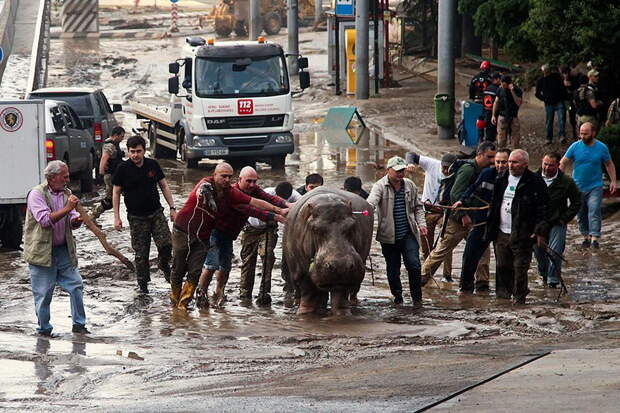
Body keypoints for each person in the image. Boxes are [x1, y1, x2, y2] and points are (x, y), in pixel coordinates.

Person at [172, 163, 289, 310]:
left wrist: (283, 208)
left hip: (218, 235)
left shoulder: (233, 192)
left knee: (216, 267)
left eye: (229, 176)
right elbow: (251, 210)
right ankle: (187, 298)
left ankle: (205, 297)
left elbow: (258, 201)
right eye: (223, 176)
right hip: (198, 230)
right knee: (198, 266)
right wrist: (278, 216)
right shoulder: (211, 185)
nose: (227, 179)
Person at [24, 160, 89, 336]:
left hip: (63, 250)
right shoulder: (37, 194)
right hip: (42, 253)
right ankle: (44, 331)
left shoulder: (66, 193)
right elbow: (45, 220)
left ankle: (79, 325)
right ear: (52, 178)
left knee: (76, 286)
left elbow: (72, 217)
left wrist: (75, 220)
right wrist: (68, 209)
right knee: (44, 294)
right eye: (65, 176)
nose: (68, 179)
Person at [421, 142, 496, 287]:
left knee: (483, 250)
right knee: (442, 250)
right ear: (479, 155)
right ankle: (421, 278)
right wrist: (463, 216)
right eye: (489, 157)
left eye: (494, 157)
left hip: (475, 219)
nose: (492, 161)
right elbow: (456, 194)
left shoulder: (484, 171)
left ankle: (482, 283)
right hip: (457, 219)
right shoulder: (468, 170)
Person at [112, 136, 175, 294]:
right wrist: (116, 216)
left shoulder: (152, 165)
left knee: (167, 244)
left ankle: (163, 263)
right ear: (128, 151)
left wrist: (172, 208)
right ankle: (143, 286)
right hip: (136, 217)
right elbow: (116, 192)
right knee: (141, 254)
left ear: (144, 150)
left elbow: (164, 186)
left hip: (156, 213)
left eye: (138, 151)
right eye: (132, 152)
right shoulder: (122, 169)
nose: (135, 155)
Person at [486, 150, 549, 304]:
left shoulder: (534, 181)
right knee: (502, 266)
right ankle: (504, 298)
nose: (510, 165)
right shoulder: (501, 179)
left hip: (523, 233)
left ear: (525, 165)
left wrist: (539, 230)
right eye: (509, 162)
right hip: (501, 231)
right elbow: (494, 204)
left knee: (520, 268)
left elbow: (544, 209)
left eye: (515, 162)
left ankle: (519, 299)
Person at [367, 156, 428, 308]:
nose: (401, 174)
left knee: (414, 265)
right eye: (397, 171)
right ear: (389, 170)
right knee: (393, 269)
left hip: (408, 233)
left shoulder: (409, 185)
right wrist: (365, 212)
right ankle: (398, 297)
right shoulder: (380, 186)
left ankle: (417, 299)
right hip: (388, 236)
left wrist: (422, 224)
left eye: (403, 171)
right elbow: (371, 203)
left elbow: (418, 207)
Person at [453, 148, 510, 293]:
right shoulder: (486, 174)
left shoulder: (515, 179)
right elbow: (472, 189)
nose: (500, 165)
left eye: (504, 162)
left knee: (503, 262)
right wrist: (462, 202)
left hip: (502, 226)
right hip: (482, 222)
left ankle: (503, 294)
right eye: (497, 162)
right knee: (469, 256)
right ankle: (465, 291)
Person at [239, 181, 301, 305]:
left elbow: (301, 209)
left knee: (267, 257)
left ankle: (264, 293)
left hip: (268, 229)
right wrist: (276, 214)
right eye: (279, 199)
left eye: (284, 199)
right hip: (251, 228)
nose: (281, 200)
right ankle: (245, 294)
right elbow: (254, 210)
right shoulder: (267, 193)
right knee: (248, 261)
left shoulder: (295, 196)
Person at [560, 122, 617, 248]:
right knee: (580, 213)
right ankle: (586, 236)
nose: (582, 136)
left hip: (595, 185)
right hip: (577, 186)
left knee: (594, 209)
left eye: (585, 133)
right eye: (581, 133)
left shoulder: (601, 147)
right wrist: (561, 179)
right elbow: (563, 162)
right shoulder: (575, 146)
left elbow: (609, 164)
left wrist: (613, 180)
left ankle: (595, 238)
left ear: (593, 133)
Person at [405, 151, 457, 281]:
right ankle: (427, 273)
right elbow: (411, 154)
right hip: (427, 210)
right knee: (425, 243)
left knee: (446, 240)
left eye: (448, 168)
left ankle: (447, 275)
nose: (445, 170)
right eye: (443, 167)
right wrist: (410, 163)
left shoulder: (458, 173)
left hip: (444, 212)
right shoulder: (432, 164)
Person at [533, 152, 581, 288]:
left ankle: (553, 281)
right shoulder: (533, 178)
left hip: (556, 222)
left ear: (558, 165)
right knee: (538, 251)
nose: (547, 168)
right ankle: (544, 275)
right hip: (537, 223)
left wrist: (565, 218)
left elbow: (577, 201)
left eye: (551, 165)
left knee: (555, 251)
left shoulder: (566, 181)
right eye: (545, 164)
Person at [90, 126, 125, 222]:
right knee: (109, 201)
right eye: (121, 136)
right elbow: (103, 159)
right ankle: (92, 216)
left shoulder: (113, 144)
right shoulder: (110, 146)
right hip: (111, 176)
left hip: (115, 175)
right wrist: (100, 176)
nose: (122, 139)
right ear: (116, 135)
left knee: (127, 194)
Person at [535, 65, 566, 144]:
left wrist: (562, 96)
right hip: (549, 103)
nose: (546, 72)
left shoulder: (556, 77)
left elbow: (562, 87)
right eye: (545, 70)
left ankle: (562, 136)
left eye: (547, 70)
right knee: (549, 121)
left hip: (559, 101)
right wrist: (544, 99)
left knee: (561, 119)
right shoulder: (541, 80)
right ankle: (549, 137)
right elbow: (537, 93)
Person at [492, 75, 523, 149]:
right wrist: (493, 115)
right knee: (501, 138)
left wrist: (512, 91)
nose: (502, 86)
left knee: (515, 138)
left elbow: (518, 103)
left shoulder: (517, 90)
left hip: (513, 116)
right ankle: (501, 152)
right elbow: (496, 102)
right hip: (502, 116)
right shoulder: (500, 89)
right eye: (501, 84)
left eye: (504, 85)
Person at [560, 66, 580, 140]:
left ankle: (575, 133)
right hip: (564, 101)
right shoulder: (560, 80)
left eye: (567, 73)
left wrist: (570, 87)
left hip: (570, 102)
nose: (566, 75)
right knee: (562, 117)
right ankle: (562, 134)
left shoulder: (573, 80)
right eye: (564, 73)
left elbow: (576, 89)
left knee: (572, 114)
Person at [482, 72, 502, 142]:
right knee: (496, 134)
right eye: (500, 79)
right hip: (495, 114)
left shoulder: (487, 89)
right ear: (496, 79)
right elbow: (499, 103)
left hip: (486, 113)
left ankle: (487, 146)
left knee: (488, 134)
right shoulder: (498, 90)